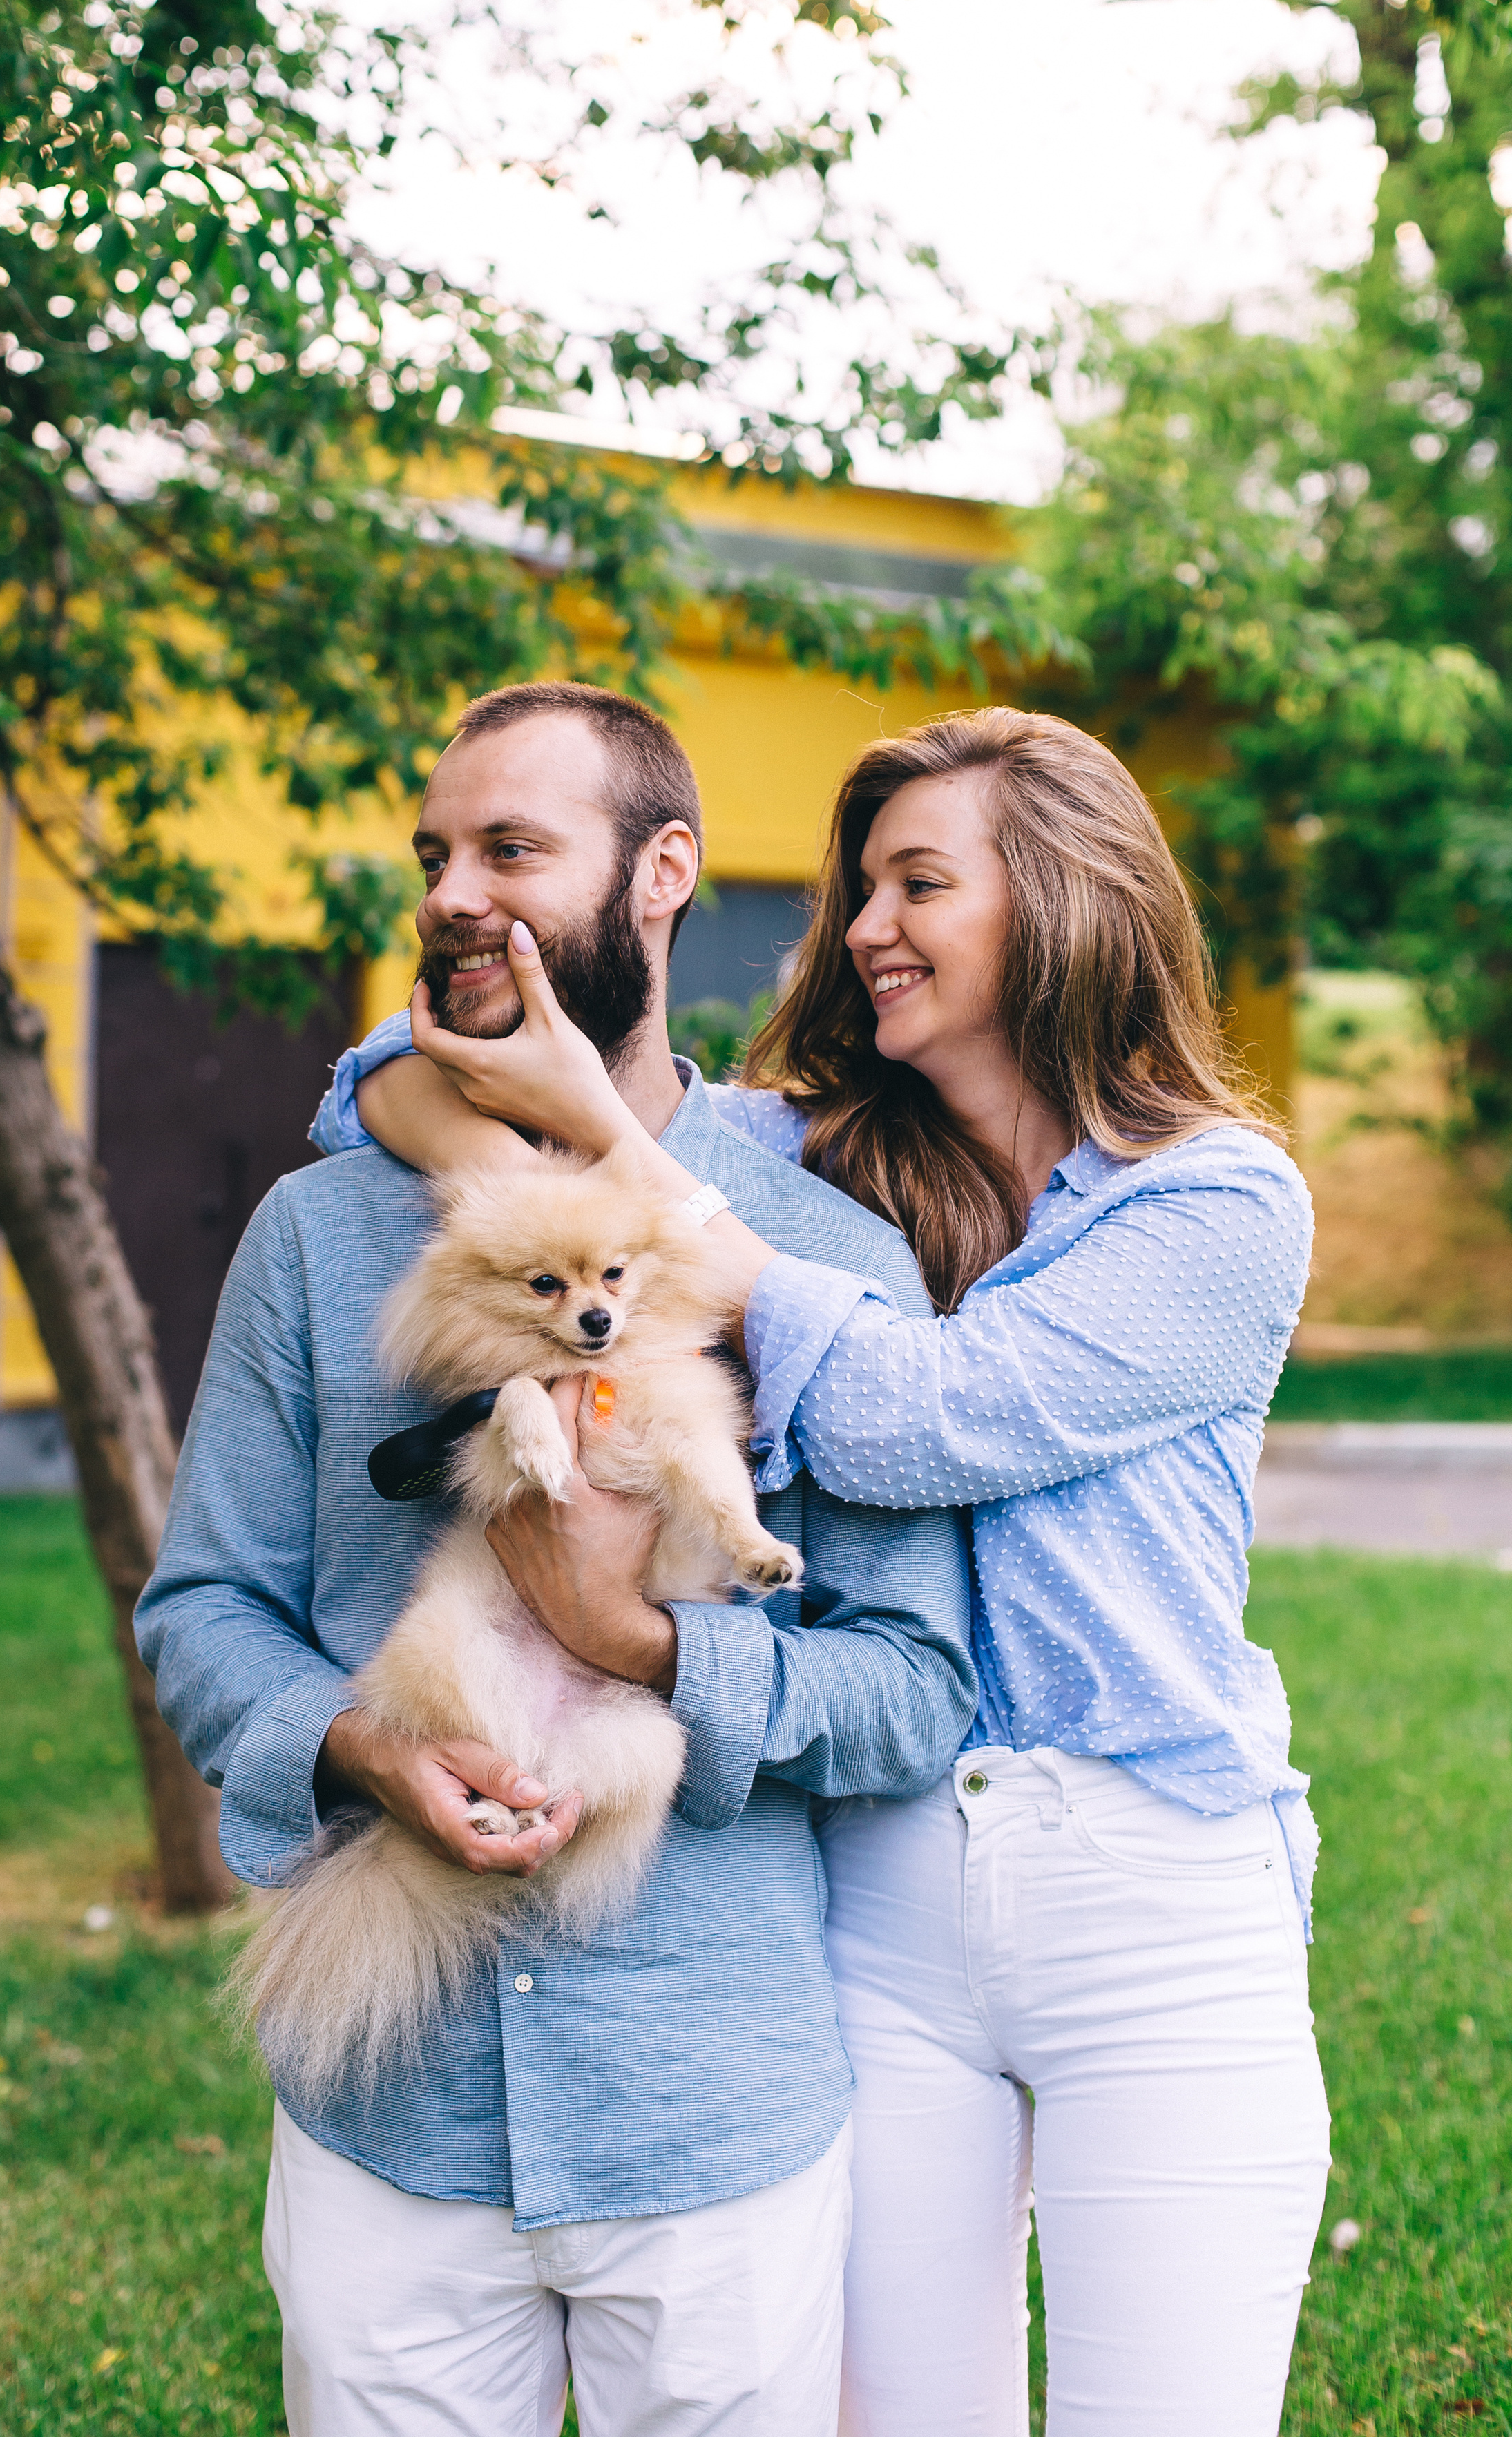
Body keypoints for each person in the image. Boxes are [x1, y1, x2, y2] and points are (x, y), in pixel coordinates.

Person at [340, 703, 1332, 2437]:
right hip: (880, 1899)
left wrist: (618, 1145)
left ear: (1064, 902)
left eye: (918, 881)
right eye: (859, 885)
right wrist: (529, 1134)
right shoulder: (821, 1169)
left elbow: (916, 1418)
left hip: (1152, 1891)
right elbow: (383, 1081)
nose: (862, 926)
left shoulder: (1216, 1206)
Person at [133, 680, 978, 2437]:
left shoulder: (815, 1255)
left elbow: (913, 1689)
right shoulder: (319, 1228)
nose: (450, 892)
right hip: (394, 2114)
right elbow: (203, 1604)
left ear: (661, 875)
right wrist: (364, 1745)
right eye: (434, 851)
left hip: (704, 2102)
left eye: (510, 848)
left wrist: (646, 1644)